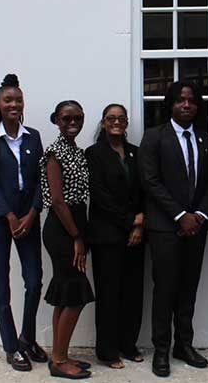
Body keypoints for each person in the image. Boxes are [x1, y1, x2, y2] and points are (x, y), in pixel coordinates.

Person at [139, 81, 208, 378]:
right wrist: (179, 215)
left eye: (192, 101)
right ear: (170, 104)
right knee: (165, 290)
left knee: (188, 289)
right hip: (164, 228)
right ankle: (161, 349)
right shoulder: (154, 137)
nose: (187, 105)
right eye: (180, 100)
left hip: (196, 227)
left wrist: (198, 214)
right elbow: (150, 181)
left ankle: (184, 345)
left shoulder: (205, 139)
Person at [0, 73, 48, 371]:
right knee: (1, 287)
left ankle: (27, 337)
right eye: (8, 99)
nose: (14, 104)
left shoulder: (33, 136)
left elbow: (40, 180)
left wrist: (32, 212)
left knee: (34, 280)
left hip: (29, 218)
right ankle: (11, 347)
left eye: (18, 99)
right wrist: (9, 215)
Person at [85, 104, 146, 370]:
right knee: (109, 294)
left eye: (121, 118)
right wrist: (129, 221)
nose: (117, 122)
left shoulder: (136, 152)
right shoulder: (94, 153)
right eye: (111, 118)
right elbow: (100, 196)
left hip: (136, 235)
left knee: (133, 293)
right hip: (106, 235)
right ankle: (108, 351)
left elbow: (143, 189)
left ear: (127, 122)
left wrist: (140, 223)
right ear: (103, 122)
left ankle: (128, 344)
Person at [40, 100, 95, 379]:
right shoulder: (54, 153)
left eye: (77, 118)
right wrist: (77, 237)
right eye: (66, 118)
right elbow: (59, 201)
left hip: (74, 223)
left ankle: (59, 354)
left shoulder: (75, 151)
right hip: (63, 228)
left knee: (65, 292)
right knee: (75, 292)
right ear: (56, 120)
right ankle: (59, 361)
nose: (72, 122)